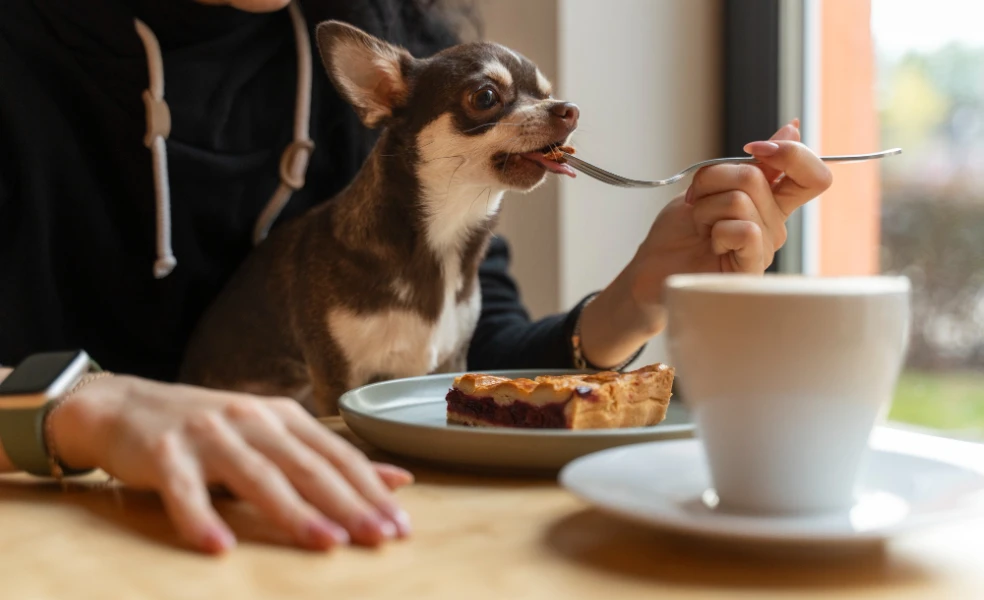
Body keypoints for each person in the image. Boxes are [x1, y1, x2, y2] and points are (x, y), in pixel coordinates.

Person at [0, 0, 833, 554]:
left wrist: (640, 292)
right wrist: (71, 406)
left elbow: (464, 368)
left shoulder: (391, 23)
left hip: (337, 537)